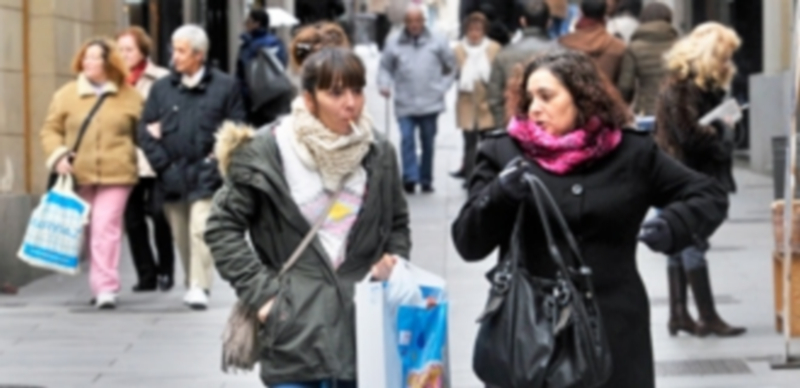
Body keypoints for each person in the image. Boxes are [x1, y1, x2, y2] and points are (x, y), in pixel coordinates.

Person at [451, 49, 728, 388]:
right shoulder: (502, 152)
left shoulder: (631, 152)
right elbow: (467, 242)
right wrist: (498, 195)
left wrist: (674, 224)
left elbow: (708, 194)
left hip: (614, 330)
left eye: (546, 96)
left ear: (582, 98)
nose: (534, 108)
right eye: (529, 98)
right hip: (531, 336)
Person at [205, 48, 411, 388]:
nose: (351, 103)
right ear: (309, 99)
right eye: (336, 93)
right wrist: (265, 297)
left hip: (365, 329)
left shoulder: (378, 151)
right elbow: (221, 226)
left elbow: (397, 222)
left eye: (357, 90)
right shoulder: (266, 152)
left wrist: (393, 265)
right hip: (293, 330)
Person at [138, 25, 246, 310]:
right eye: (174, 50)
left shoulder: (225, 86)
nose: (174, 56)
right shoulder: (161, 89)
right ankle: (192, 280)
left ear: (199, 55)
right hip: (171, 176)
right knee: (182, 236)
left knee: (201, 229)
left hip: (207, 174)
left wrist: (216, 160)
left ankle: (199, 285)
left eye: (181, 51)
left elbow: (236, 128)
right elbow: (145, 131)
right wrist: (163, 166)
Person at [655, 22, 746, 338]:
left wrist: (729, 125)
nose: (728, 63)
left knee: (680, 244)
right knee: (693, 242)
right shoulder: (683, 88)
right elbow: (689, 134)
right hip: (686, 177)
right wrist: (722, 130)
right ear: (709, 55)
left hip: (679, 176)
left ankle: (679, 314)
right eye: (724, 56)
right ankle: (707, 316)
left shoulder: (698, 87)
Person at [40, 38, 143, 309]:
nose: (88, 62)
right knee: (89, 229)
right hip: (79, 174)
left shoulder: (129, 96)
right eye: (85, 57)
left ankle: (106, 288)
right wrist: (58, 155)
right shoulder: (66, 95)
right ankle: (99, 283)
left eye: (95, 57)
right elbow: (50, 130)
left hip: (118, 172)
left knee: (105, 225)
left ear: (109, 63)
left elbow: (142, 132)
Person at [116, 26, 175, 293]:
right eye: (120, 49)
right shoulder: (113, 81)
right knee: (132, 219)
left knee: (160, 214)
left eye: (129, 49)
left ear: (142, 50)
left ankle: (166, 270)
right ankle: (146, 274)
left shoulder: (161, 77)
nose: (123, 54)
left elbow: (174, 110)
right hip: (125, 157)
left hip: (156, 156)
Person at [378, 5, 456, 194]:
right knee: (407, 139)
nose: (414, 25)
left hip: (431, 102)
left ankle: (426, 178)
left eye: (417, 20)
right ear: (405, 23)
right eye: (410, 21)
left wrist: (442, 87)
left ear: (423, 21)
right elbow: (385, 67)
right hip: (405, 101)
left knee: (428, 142)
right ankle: (410, 177)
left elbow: (452, 66)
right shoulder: (394, 43)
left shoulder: (438, 41)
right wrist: (384, 84)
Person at [487, 0, 556, 129]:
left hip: (514, 127)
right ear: (549, 22)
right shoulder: (561, 52)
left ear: (523, 21)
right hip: (551, 128)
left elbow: (494, 98)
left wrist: (503, 126)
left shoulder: (504, 54)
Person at [451, 12, 501, 182]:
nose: (474, 34)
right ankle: (469, 176)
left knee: (488, 143)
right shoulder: (458, 49)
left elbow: (497, 76)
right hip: (466, 103)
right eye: (471, 30)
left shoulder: (494, 48)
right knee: (469, 143)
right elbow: (452, 72)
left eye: (478, 30)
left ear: (484, 31)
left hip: (487, 103)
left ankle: (487, 175)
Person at [616, 2, 678, 116]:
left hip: (646, 110)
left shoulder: (634, 48)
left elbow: (626, 87)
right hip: (674, 108)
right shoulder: (680, 46)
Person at [236, 8, 289, 126]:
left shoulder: (248, 44)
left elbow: (242, 70)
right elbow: (282, 64)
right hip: (273, 94)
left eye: (248, 21)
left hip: (250, 97)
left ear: (257, 23)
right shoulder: (276, 42)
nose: (246, 24)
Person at [559, 0, 627, 86]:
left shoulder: (563, 43)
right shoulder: (619, 47)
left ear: (581, 12)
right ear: (604, 13)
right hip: (602, 92)